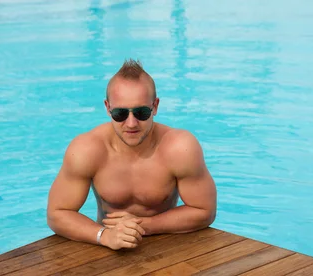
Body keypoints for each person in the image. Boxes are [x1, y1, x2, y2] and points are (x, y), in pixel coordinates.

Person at [46, 59, 217, 250]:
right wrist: (104, 236)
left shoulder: (179, 148)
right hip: (108, 247)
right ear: (107, 108)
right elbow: (57, 213)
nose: (131, 123)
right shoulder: (87, 150)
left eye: (141, 112)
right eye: (120, 113)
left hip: (167, 244)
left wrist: (145, 226)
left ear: (155, 106)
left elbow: (204, 211)